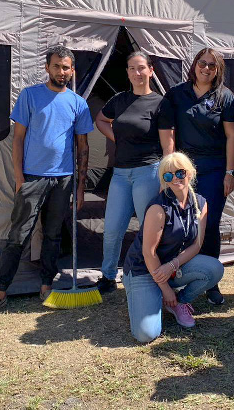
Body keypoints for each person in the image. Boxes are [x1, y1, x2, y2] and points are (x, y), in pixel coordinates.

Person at [0, 46, 93, 319]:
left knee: (53, 236)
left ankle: (46, 286)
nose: (61, 72)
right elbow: (17, 139)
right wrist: (19, 178)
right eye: (56, 66)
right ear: (47, 67)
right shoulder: (30, 96)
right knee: (19, 235)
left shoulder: (78, 103)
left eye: (66, 67)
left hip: (63, 180)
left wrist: (80, 185)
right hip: (32, 178)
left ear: (72, 71)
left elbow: (83, 146)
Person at [158, 48, 234, 305]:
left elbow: (231, 137)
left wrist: (229, 172)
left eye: (212, 66)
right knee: (182, 224)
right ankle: (179, 276)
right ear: (194, 65)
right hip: (183, 172)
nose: (206, 68)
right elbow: (168, 134)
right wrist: (170, 171)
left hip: (215, 170)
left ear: (218, 70)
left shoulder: (225, 98)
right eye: (202, 63)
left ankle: (211, 282)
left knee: (209, 224)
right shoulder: (176, 94)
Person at [122, 152, 224, 342]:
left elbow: (197, 244)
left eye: (180, 173)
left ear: (190, 174)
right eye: (168, 176)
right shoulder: (158, 208)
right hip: (144, 269)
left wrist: (172, 265)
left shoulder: (201, 204)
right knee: (146, 335)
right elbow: (148, 252)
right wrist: (166, 289)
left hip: (170, 267)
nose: (175, 178)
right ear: (164, 180)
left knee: (214, 269)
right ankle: (148, 294)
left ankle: (178, 303)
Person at [95, 52, 171, 293]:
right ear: (127, 72)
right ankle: (108, 277)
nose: (136, 73)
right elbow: (101, 120)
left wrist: (166, 177)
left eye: (141, 68)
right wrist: (118, 137)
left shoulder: (160, 103)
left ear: (151, 71)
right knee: (112, 230)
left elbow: (168, 143)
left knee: (149, 229)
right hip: (120, 174)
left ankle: (151, 273)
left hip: (148, 172)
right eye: (131, 69)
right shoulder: (119, 100)